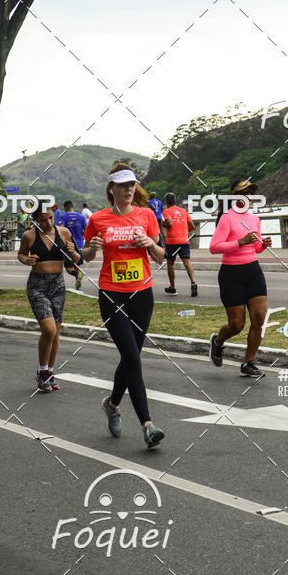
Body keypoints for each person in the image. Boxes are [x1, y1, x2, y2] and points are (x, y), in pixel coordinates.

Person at [82, 163, 166, 448]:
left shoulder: (146, 216)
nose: (128, 190)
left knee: (131, 357)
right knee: (132, 357)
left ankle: (113, 403)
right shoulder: (98, 218)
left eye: (131, 185)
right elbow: (87, 256)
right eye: (122, 186)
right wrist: (91, 248)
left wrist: (149, 244)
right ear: (112, 189)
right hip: (111, 294)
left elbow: (160, 257)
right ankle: (148, 425)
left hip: (142, 293)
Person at [208, 180, 272, 377]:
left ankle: (248, 363)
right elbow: (214, 247)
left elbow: (256, 248)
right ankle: (217, 342)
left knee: (259, 318)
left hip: (253, 271)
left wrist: (264, 244)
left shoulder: (255, 219)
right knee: (236, 325)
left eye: (251, 192)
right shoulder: (226, 218)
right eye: (244, 192)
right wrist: (240, 241)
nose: (249, 195)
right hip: (231, 274)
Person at [18, 203, 81, 392]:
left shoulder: (64, 233)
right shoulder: (29, 236)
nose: (48, 223)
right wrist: (26, 260)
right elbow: (21, 254)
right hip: (37, 285)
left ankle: (50, 372)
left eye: (51, 218)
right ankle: (42, 371)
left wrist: (72, 253)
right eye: (43, 220)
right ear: (36, 220)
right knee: (48, 329)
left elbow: (76, 260)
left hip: (57, 285)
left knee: (56, 332)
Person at [161, 192, 197, 297]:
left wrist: (164, 224)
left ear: (166, 202)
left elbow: (169, 223)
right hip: (184, 241)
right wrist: (184, 231)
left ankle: (172, 288)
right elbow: (192, 226)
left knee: (170, 264)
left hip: (172, 242)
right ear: (175, 201)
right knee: (187, 263)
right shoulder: (183, 211)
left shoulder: (166, 211)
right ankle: (193, 282)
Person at [57, 200, 88, 290]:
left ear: (65, 208)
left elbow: (60, 229)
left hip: (68, 245)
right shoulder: (81, 217)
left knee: (69, 267)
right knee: (77, 265)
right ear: (72, 206)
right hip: (80, 245)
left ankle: (76, 275)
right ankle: (78, 288)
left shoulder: (63, 216)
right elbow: (87, 230)